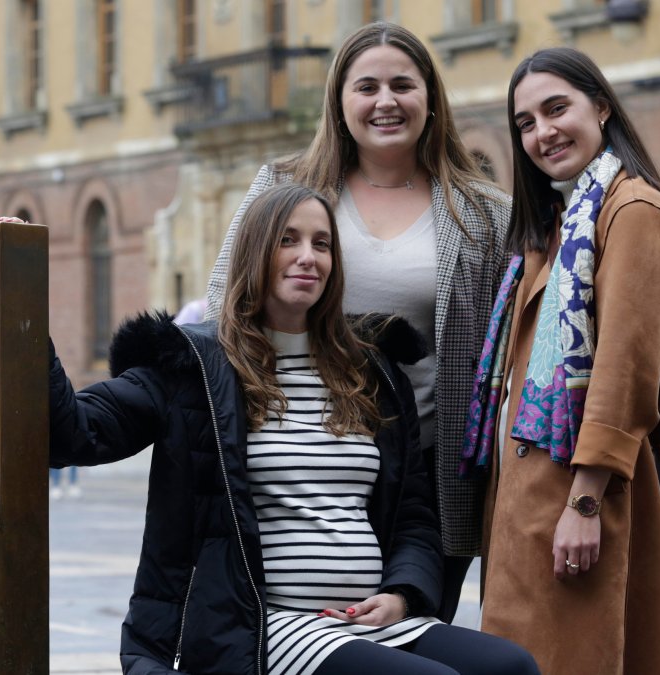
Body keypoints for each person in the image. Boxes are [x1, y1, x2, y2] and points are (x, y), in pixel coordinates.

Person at [49, 184, 538, 675]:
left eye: (321, 244)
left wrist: (401, 594)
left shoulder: (371, 371)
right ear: (255, 252)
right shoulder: (195, 368)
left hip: (367, 618)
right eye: (288, 240)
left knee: (511, 666)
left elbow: (412, 512)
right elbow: (75, 433)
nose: (308, 257)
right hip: (264, 624)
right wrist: (19, 300)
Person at [204, 21, 510, 622]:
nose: (386, 101)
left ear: (430, 97)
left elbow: (511, 344)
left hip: (426, 475)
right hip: (296, 462)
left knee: (412, 633)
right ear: (340, 101)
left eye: (403, 84)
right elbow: (225, 302)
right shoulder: (285, 185)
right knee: (304, 640)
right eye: (366, 86)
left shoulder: (485, 211)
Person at [464, 47, 660, 673]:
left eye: (556, 109)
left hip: (577, 493)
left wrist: (585, 504)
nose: (542, 132)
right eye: (526, 123)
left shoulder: (631, 210)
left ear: (602, 106)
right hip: (526, 496)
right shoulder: (562, 220)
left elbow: (623, 370)